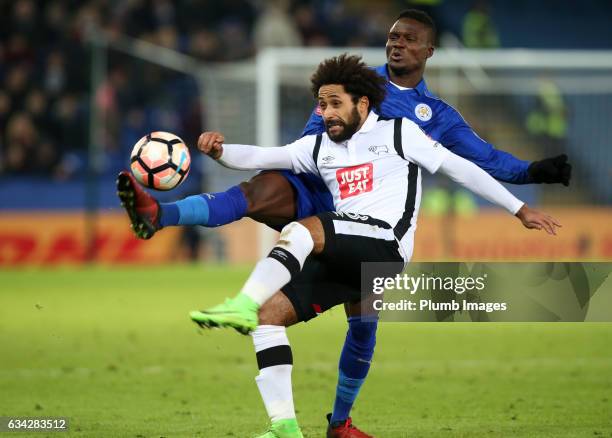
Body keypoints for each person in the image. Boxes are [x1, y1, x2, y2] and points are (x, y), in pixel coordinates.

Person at [117, 10, 571, 437]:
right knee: (253, 196)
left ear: (428, 51)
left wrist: (532, 174)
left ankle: (340, 422)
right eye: (393, 36)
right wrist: (230, 151)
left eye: (409, 39)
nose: (398, 44)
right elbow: (304, 145)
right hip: (316, 186)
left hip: (371, 221)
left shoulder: (432, 119)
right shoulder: (349, 86)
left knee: (363, 322)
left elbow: (481, 161)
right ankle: (161, 215)